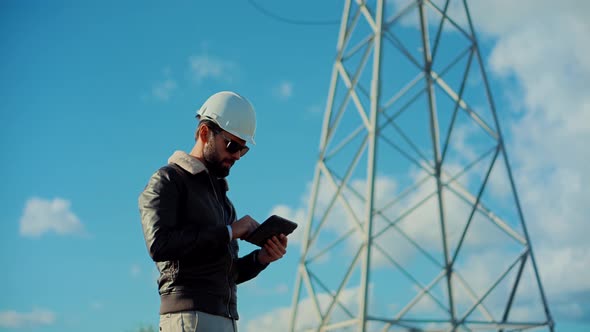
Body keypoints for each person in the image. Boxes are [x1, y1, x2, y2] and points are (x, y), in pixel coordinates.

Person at [138, 91, 289, 332]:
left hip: (225, 318)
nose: (237, 156)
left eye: (243, 150)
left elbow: (226, 273)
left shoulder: (223, 201)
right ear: (205, 132)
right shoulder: (167, 180)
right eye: (232, 145)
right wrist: (229, 231)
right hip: (188, 317)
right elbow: (159, 245)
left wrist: (261, 259)